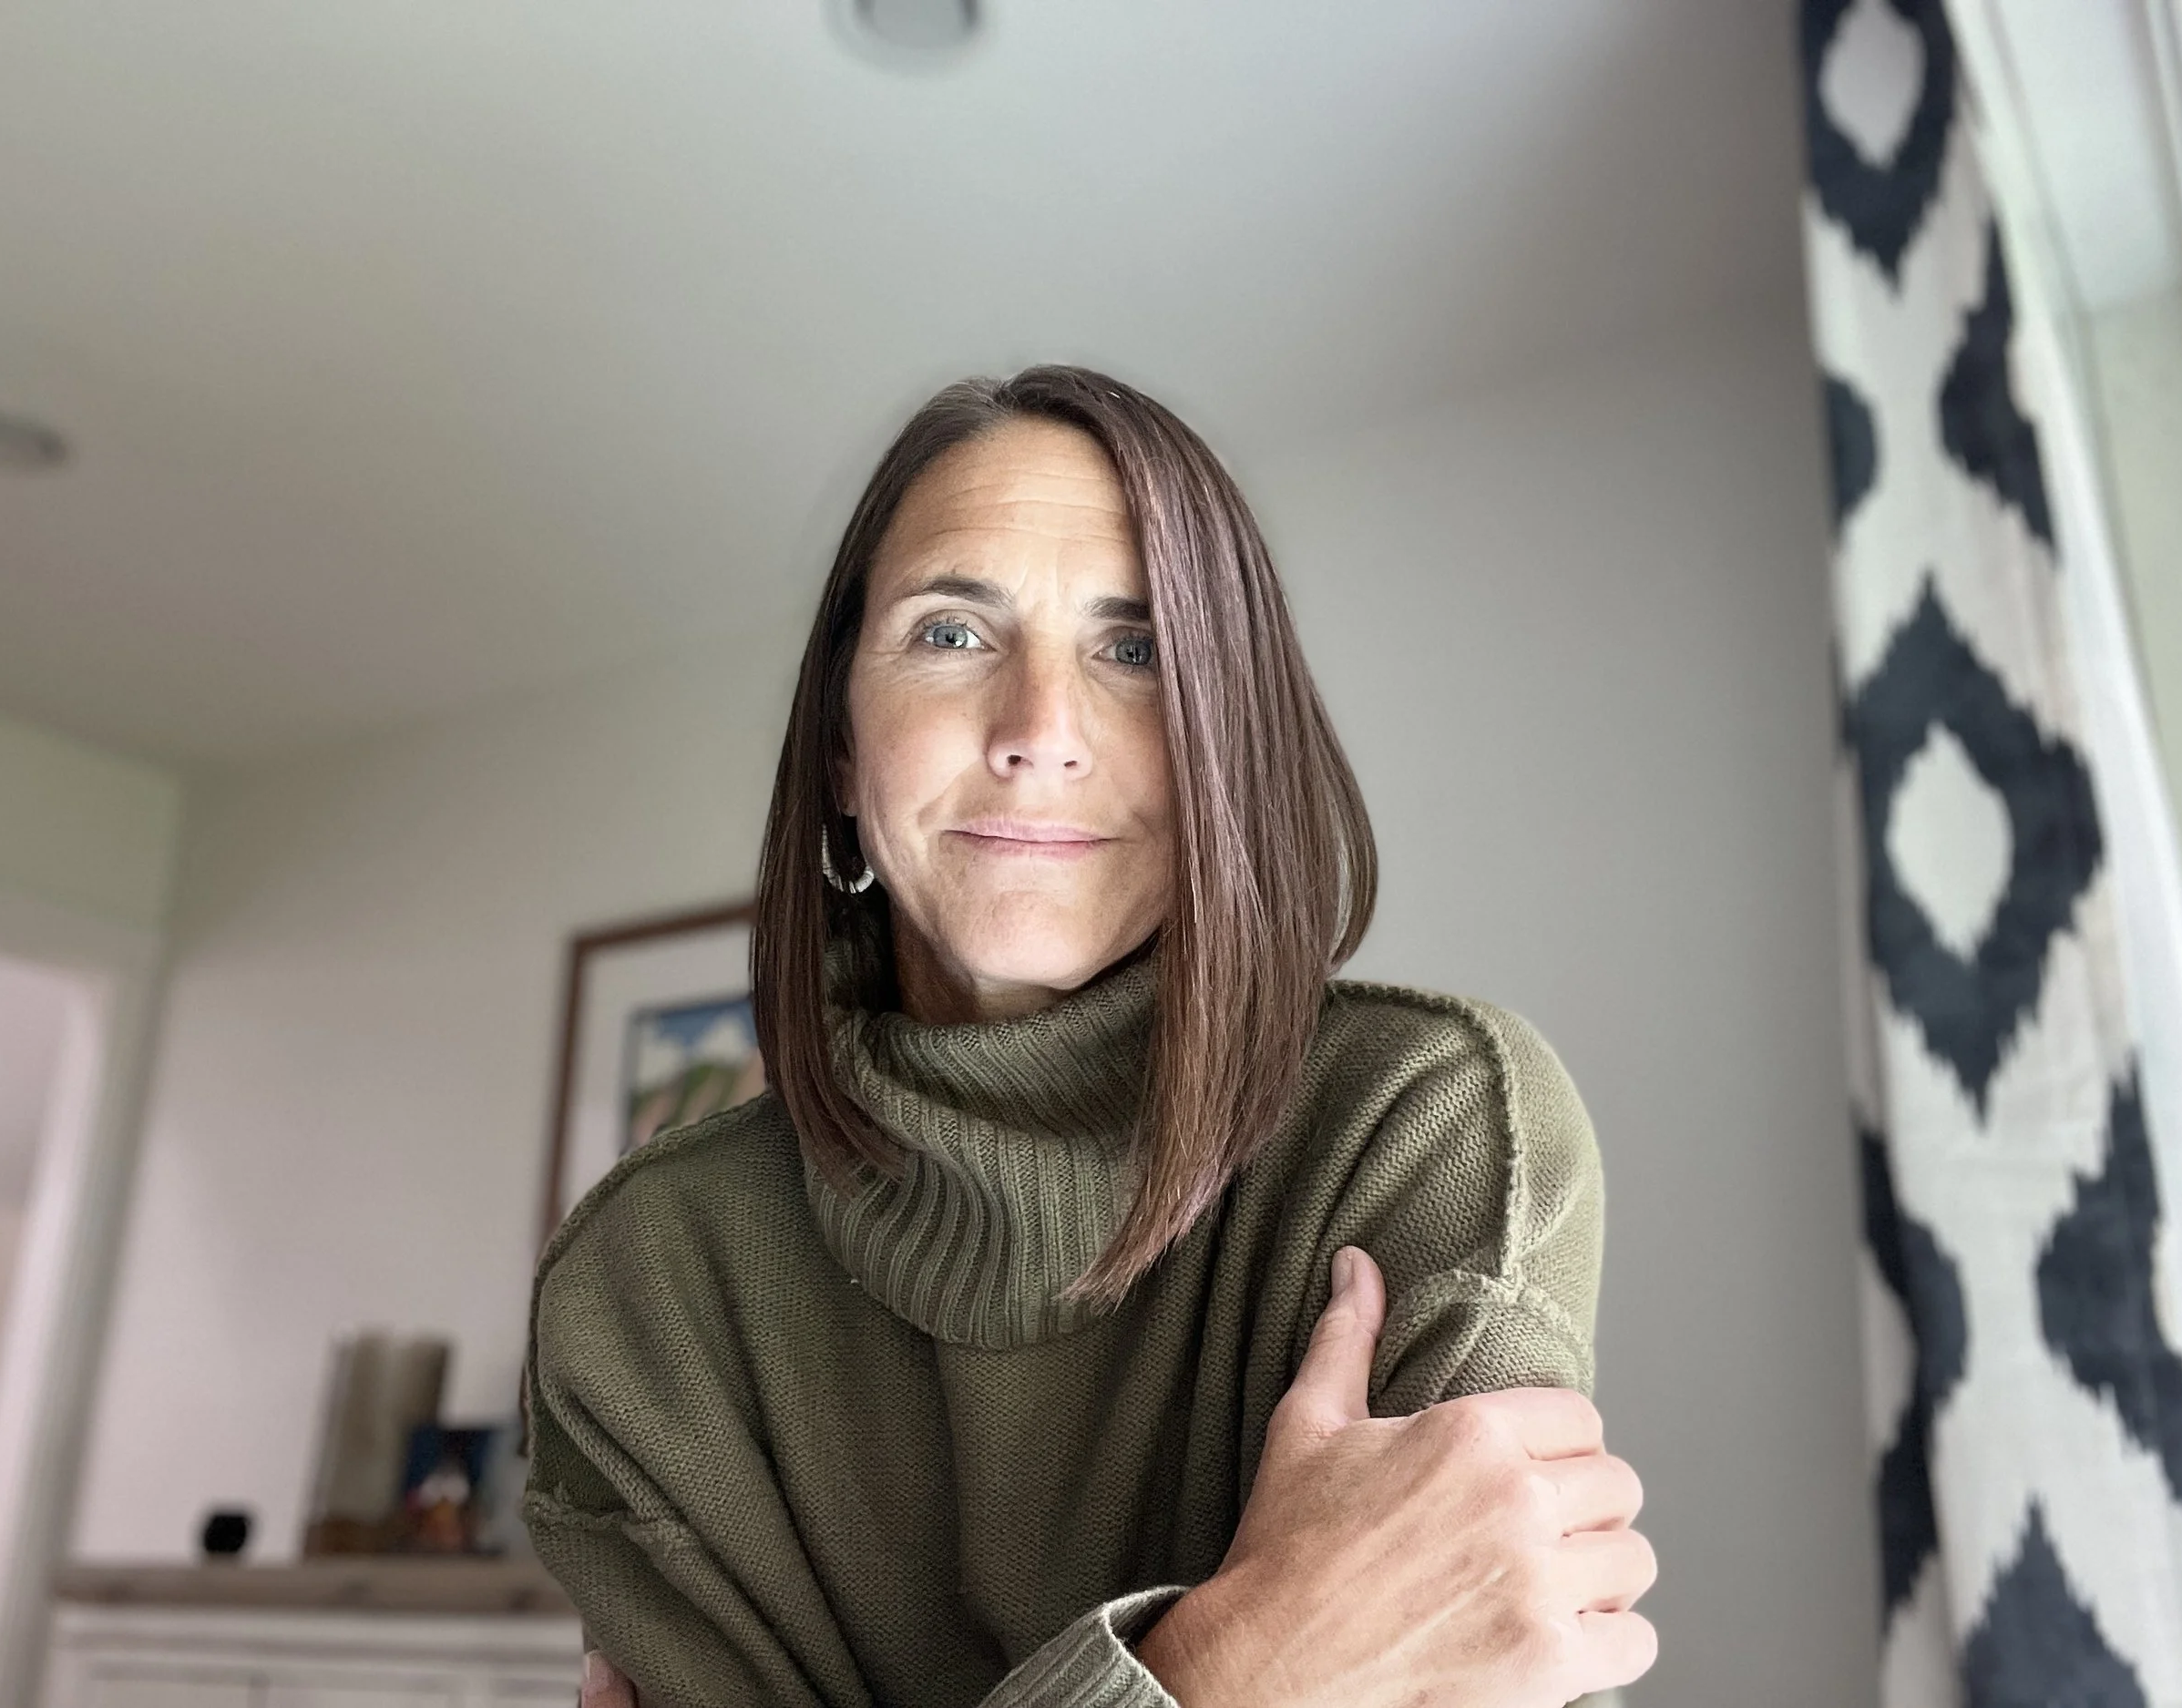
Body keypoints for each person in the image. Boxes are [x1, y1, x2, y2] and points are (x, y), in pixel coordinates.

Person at [525, 366, 1657, 1708]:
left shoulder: (1421, 1123)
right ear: (838, 744)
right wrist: (1242, 1662)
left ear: (1228, 744)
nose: (1040, 734)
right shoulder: (644, 1283)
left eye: (1137, 650)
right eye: (953, 632)